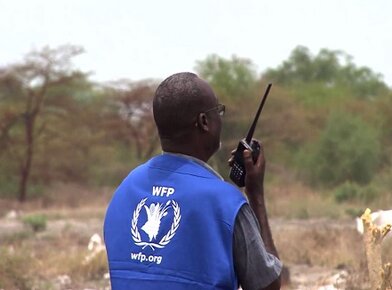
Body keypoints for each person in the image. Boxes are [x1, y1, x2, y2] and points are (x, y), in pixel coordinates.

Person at [104, 72, 282, 290]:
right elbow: (268, 286)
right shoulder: (225, 202)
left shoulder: (125, 188)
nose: (221, 117)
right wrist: (255, 195)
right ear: (204, 122)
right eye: (219, 111)